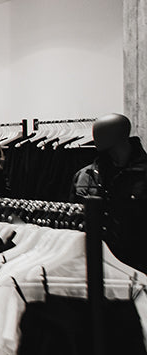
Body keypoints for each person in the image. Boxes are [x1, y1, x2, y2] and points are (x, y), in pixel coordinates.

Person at [71, 113, 147, 272]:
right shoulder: (85, 176)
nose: (95, 137)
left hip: (138, 265)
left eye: (101, 132)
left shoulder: (143, 174)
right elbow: (73, 220)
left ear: (120, 134)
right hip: (97, 265)